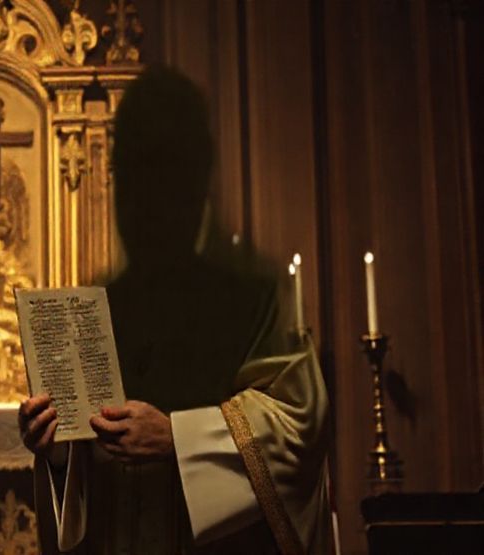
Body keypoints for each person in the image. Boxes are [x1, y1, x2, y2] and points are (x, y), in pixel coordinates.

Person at [18, 66, 331, 554]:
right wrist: (58, 449)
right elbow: (85, 473)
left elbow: (299, 427)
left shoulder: (255, 300)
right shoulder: (100, 305)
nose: (139, 200)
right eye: (128, 174)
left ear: (197, 180)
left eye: (160, 171)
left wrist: (178, 438)